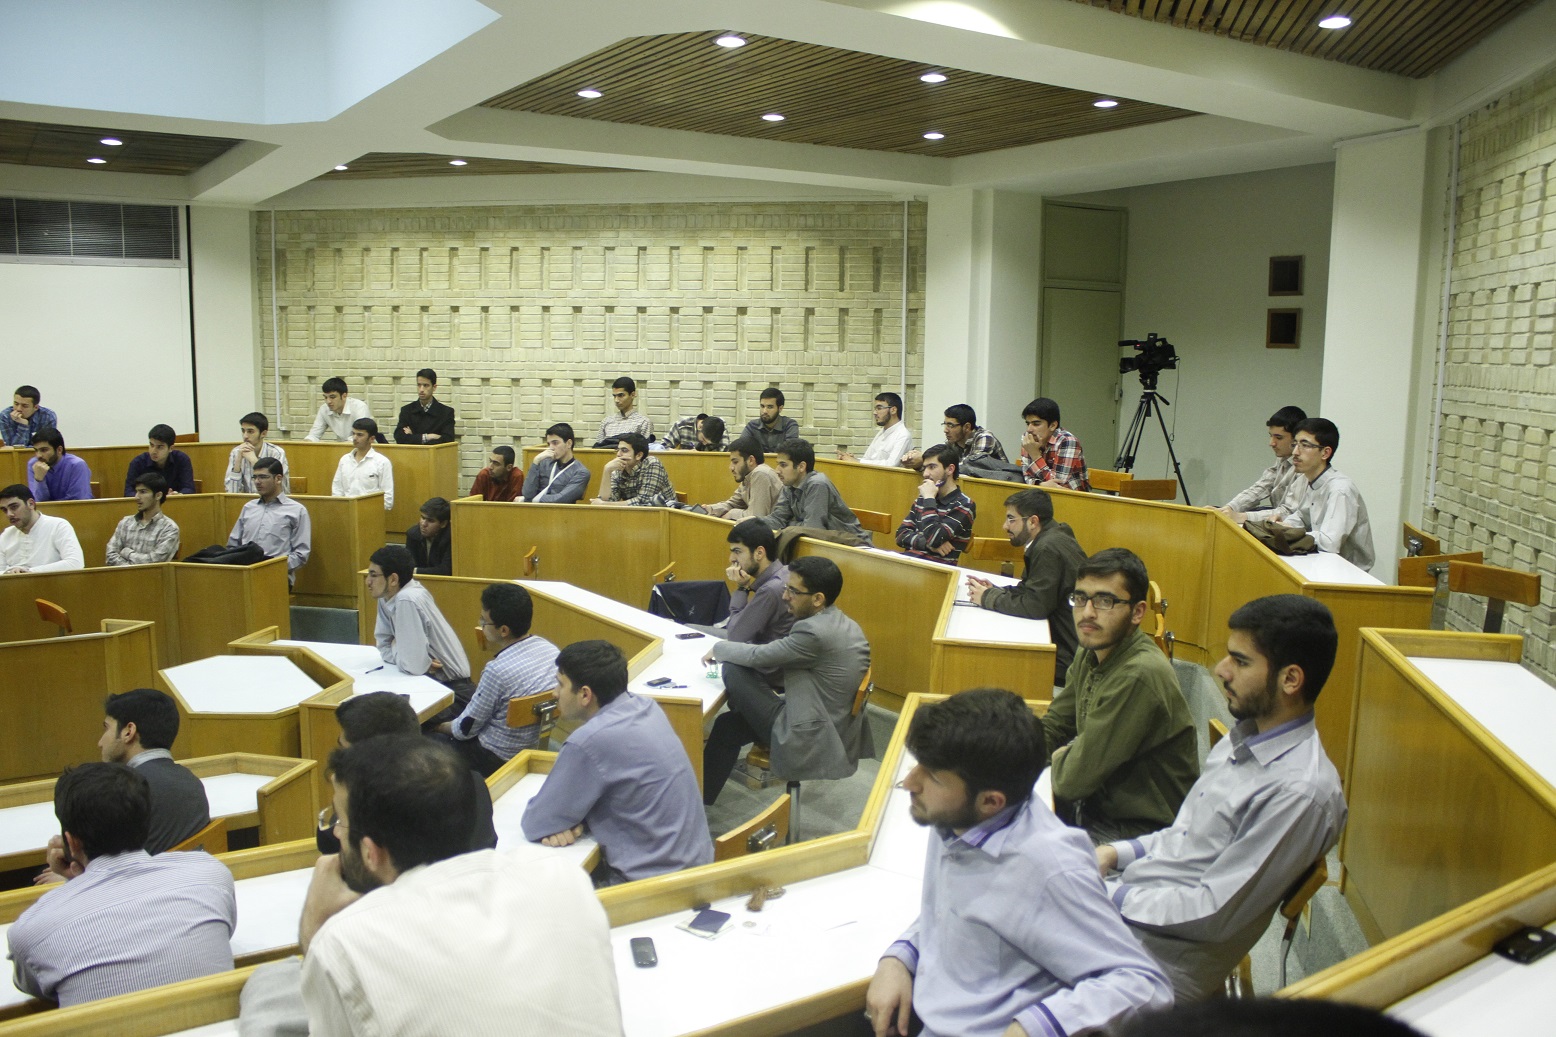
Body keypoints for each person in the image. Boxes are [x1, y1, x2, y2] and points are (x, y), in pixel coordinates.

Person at [864, 689, 1172, 1037]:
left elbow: (1143, 985)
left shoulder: (1049, 868)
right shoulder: (957, 818)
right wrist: (899, 957)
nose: (909, 782)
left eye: (932, 777)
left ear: (990, 802)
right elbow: (954, 907)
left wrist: (1032, 1028)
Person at [1099, 595, 1348, 1003]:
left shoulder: (1300, 793)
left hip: (1154, 963)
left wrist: (1108, 895)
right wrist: (1114, 855)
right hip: (1135, 912)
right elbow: (1183, 838)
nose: (1221, 669)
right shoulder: (1245, 736)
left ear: (1290, 679)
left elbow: (1213, 911)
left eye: (1241, 662)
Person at [298, 736, 623, 1037]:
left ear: (371, 852)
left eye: (340, 821)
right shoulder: (560, 876)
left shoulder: (345, 941)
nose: (336, 833)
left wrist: (315, 927)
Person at [7, 763, 235, 1007]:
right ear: (146, 823)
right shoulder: (212, 876)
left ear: (71, 843)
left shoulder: (32, 930)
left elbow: (39, 985)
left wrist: (78, 883)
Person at [522, 640, 712, 884]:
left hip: (649, 886)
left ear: (585, 694)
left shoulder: (589, 741)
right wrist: (577, 820)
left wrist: (571, 821)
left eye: (560, 684)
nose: (554, 693)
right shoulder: (646, 706)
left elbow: (536, 823)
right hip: (698, 871)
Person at [1046, 548, 1198, 843]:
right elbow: (1056, 724)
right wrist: (1018, 757)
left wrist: (1060, 758)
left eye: (1105, 601)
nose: (1087, 613)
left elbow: (1071, 781)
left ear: (1138, 612)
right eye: (1080, 598)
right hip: (1099, 803)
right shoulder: (1092, 648)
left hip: (1140, 832)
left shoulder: (1138, 674)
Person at [701, 556, 872, 804]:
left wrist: (718, 649)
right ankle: (700, 800)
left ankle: (697, 798)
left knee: (733, 667)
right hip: (834, 725)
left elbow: (760, 656)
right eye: (786, 588)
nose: (785, 596)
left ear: (818, 599)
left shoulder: (813, 632)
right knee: (728, 726)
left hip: (811, 734)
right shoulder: (845, 623)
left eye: (793, 591)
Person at [322, 692, 497, 853]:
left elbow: (326, 842)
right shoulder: (473, 781)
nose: (341, 759)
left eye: (344, 750)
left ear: (370, 756)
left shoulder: (374, 811)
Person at [434, 583, 559, 776]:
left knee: (428, 741)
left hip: (494, 757)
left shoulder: (497, 670)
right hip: (531, 746)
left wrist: (437, 727)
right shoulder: (551, 651)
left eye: (484, 621)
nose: (481, 625)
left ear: (504, 630)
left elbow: (465, 730)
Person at [967, 488, 1087, 684]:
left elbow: (1035, 606)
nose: (1005, 526)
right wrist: (996, 590)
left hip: (1066, 659)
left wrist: (988, 598)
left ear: (1033, 521)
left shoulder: (1048, 548)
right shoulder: (1053, 536)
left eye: (1011, 519)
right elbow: (1033, 589)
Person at [94, 688, 210, 854]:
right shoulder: (192, 782)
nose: (100, 742)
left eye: (106, 728)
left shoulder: (124, 791)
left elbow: (104, 862)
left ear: (128, 732)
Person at [367, 545, 473, 706]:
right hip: (429, 682)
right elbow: (383, 645)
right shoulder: (386, 596)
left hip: (453, 692)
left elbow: (413, 666)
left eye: (373, 575)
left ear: (393, 579)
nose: (368, 581)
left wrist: (409, 657)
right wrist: (412, 659)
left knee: (385, 715)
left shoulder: (407, 598)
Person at [1281, 417, 1376, 571]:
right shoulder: (1313, 481)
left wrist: (1292, 533)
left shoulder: (1340, 489)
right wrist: (1283, 526)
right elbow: (1302, 516)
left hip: (1347, 574)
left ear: (1325, 453)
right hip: (1322, 564)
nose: (1295, 452)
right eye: (1295, 444)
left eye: (1304, 445)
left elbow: (1329, 542)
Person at [695, 519, 794, 657]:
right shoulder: (787, 572)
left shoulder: (771, 590)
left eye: (737, 551)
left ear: (759, 553)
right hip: (761, 647)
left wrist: (742, 588)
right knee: (689, 629)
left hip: (763, 658)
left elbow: (735, 635)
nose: (731, 559)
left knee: (688, 631)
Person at [762, 439, 871, 545]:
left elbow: (812, 529)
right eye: (778, 464)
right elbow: (778, 520)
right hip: (826, 545)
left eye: (783, 465)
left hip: (854, 547)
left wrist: (788, 524)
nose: (777, 470)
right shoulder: (789, 485)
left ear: (801, 467)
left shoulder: (817, 484)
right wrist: (754, 522)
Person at [1218, 405, 1308, 523]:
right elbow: (1260, 488)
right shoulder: (1283, 459)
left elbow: (1289, 512)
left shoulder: (1305, 467)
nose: (1272, 443)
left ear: (1296, 439)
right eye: (1271, 436)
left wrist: (1240, 516)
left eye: (1279, 438)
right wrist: (1228, 509)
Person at [228, 457, 311, 582]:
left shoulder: (297, 510)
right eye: (255, 477)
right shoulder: (248, 508)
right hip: (245, 575)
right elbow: (233, 545)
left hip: (277, 577)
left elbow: (301, 554)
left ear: (278, 479)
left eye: (263, 477)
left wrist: (271, 569)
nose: (257, 482)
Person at [894, 444, 975, 565]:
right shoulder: (924, 498)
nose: (925, 474)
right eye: (925, 467)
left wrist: (929, 499)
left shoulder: (965, 504)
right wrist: (927, 544)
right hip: (910, 563)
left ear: (950, 469)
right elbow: (900, 535)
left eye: (932, 467)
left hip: (937, 570)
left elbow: (935, 538)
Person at [0, 483, 85, 573]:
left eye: (14, 507)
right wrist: (9, 573)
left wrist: (29, 572)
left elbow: (75, 563)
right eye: (4, 510)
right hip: (13, 582)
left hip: (51, 581)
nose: (9, 514)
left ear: (31, 504)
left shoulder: (58, 526)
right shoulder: (6, 534)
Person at [105, 472, 180, 565]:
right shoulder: (125, 522)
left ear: (158, 495)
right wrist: (129, 568)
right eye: (136, 491)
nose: (136, 497)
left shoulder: (169, 528)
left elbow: (155, 562)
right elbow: (110, 556)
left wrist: (127, 553)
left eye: (143, 492)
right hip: (121, 574)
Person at [906, 403, 1009, 469]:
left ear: (967, 427)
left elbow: (969, 467)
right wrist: (917, 463)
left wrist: (925, 460)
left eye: (951, 425)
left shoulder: (985, 438)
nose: (945, 430)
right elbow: (941, 468)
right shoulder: (952, 443)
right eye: (945, 424)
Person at [701, 438, 783, 520]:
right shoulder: (748, 476)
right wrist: (710, 509)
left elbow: (756, 517)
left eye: (735, 462)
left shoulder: (761, 473)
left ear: (751, 460)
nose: (731, 468)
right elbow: (733, 504)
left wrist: (732, 514)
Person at [1019, 397, 1091, 491]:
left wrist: (1035, 455)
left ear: (1053, 425)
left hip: (1072, 497)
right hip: (1038, 494)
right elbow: (1026, 476)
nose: (1029, 429)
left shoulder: (1067, 441)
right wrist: (1040, 485)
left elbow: (1058, 485)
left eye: (1036, 424)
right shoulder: (1028, 439)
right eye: (1028, 423)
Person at [591, 433, 675, 507]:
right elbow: (607, 501)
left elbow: (643, 502)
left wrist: (603, 504)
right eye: (617, 450)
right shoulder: (618, 470)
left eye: (624, 450)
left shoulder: (652, 463)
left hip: (667, 514)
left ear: (639, 455)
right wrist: (607, 471)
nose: (618, 454)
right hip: (636, 516)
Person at [330, 418, 394, 510]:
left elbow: (388, 499)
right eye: (353, 434)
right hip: (346, 511)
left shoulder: (382, 462)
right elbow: (337, 491)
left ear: (371, 439)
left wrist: (367, 509)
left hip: (371, 512)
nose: (355, 438)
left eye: (360, 435)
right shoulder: (344, 460)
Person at [522, 423, 591, 503]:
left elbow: (560, 499)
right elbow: (527, 494)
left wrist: (534, 499)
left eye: (555, 443)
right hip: (535, 509)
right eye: (549, 444)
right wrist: (536, 461)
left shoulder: (581, 472)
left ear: (569, 443)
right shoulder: (544, 463)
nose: (551, 448)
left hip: (561, 510)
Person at [840, 392, 914, 466]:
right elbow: (867, 458)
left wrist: (857, 461)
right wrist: (851, 459)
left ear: (893, 410)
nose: (875, 413)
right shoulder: (882, 432)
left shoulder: (903, 435)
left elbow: (891, 465)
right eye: (875, 409)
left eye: (879, 408)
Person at [225, 412, 290, 494]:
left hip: (271, 502)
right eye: (243, 431)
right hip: (246, 501)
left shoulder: (277, 453)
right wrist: (238, 462)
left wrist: (255, 462)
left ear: (263, 433)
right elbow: (231, 493)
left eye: (250, 431)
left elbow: (281, 490)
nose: (245, 436)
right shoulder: (236, 452)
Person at [123, 424, 196, 496]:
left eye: (160, 447)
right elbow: (128, 492)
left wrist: (178, 495)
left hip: (174, 502)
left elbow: (189, 488)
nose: (153, 451)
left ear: (171, 448)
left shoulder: (181, 459)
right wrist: (145, 497)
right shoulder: (138, 462)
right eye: (151, 445)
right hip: (147, 503)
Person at [393, 368, 456, 444]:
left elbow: (448, 440)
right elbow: (399, 437)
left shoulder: (446, 412)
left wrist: (413, 437)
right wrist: (429, 437)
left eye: (426, 385)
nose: (421, 389)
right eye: (419, 385)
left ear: (434, 387)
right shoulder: (407, 410)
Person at [27, 428, 93, 501]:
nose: (38, 455)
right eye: (36, 450)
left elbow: (77, 501)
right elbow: (37, 502)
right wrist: (39, 480)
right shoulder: (33, 464)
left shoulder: (77, 465)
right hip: (47, 508)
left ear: (59, 450)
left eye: (44, 450)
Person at [306, 376, 374, 442]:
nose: (328, 401)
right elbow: (314, 435)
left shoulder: (359, 407)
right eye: (325, 397)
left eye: (332, 397)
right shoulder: (324, 409)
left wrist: (338, 446)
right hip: (343, 447)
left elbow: (360, 436)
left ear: (344, 396)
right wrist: (307, 441)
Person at [741, 386, 800, 452]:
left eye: (770, 407)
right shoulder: (752, 426)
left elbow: (789, 453)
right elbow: (741, 449)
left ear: (780, 408)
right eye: (762, 406)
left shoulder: (789, 425)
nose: (764, 411)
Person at [405, 497, 451, 575]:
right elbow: (408, 565)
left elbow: (446, 570)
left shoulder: (451, 538)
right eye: (423, 518)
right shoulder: (412, 534)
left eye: (430, 521)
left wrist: (415, 571)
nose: (423, 524)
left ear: (443, 524)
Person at [599, 375, 653, 442]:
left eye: (621, 395)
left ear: (632, 395)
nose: (616, 400)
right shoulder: (606, 421)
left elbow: (646, 447)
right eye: (614, 396)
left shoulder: (643, 423)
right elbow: (598, 447)